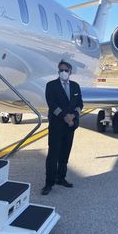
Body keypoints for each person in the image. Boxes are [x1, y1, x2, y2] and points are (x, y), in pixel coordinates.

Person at [41, 60, 83, 195]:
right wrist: (65, 116)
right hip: (57, 125)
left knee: (65, 154)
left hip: (70, 126)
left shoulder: (76, 86)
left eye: (66, 70)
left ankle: (61, 178)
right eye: (61, 70)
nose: (63, 72)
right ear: (58, 71)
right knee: (53, 155)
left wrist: (74, 115)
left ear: (70, 72)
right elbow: (51, 104)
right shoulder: (51, 85)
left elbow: (80, 104)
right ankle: (49, 183)